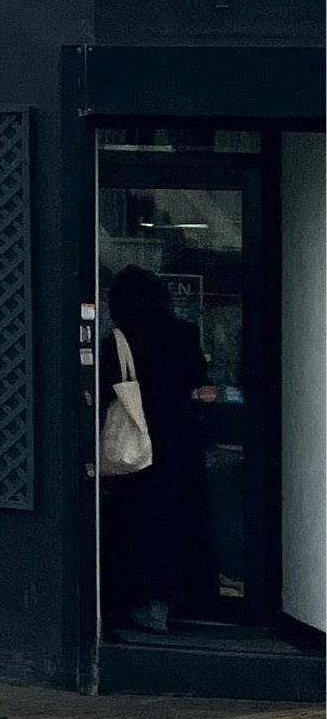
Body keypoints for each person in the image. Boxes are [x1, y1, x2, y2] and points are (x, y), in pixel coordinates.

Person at [103, 268, 229, 631]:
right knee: (185, 518)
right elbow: (196, 375)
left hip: (138, 442)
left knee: (141, 523)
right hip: (181, 441)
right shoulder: (183, 334)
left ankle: (147, 602)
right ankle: (193, 597)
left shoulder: (123, 340)